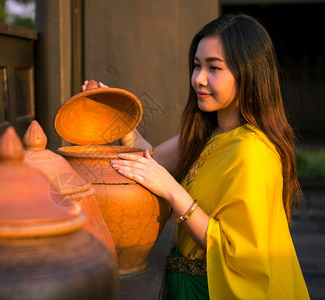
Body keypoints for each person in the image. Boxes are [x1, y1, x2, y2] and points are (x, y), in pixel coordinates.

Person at [84, 13, 310, 299]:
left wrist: (171, 190)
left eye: (214, 68)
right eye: (196, 66)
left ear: (249, 74)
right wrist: (119, 116)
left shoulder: (253, 152)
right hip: (185, 283)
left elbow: (238, 253)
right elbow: (150, 162)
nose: (199, 79)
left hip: (213, 290)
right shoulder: (210, 133)